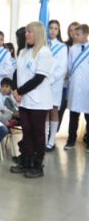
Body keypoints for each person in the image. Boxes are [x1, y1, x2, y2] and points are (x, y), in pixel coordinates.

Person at [10, 22, 53, 178]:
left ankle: (37, 164)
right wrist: (15, 91)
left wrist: (20, 91)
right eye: (26, 31)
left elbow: (39, 78)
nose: (26, 34)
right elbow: (17, 73)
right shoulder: (22, 52)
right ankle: (26, 161)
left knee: (38, 133)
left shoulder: (44, 52)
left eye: (29, 32)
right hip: (24, 100)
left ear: (37, 33)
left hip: (39, 101)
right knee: (27, 132)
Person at [64, 23, 89, 150]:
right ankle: (70, 140)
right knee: (73, 116)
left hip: (87, 86)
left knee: (88, 116)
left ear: (86, 34)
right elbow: (68, 67)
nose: (75, 36)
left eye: (78, 34)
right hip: (74, 85)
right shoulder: (73, 49)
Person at [47, 20, 68, 151]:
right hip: (42, 83)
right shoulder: (43, 45)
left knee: (53, 110)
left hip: (54, 84)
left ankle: (51, 140)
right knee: (43, 111)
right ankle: (43, 139)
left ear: (58, 30)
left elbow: (62, 68)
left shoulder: (62, 47)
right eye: (51, 28)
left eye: (56, 28)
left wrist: (51, 79)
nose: (53, 31)